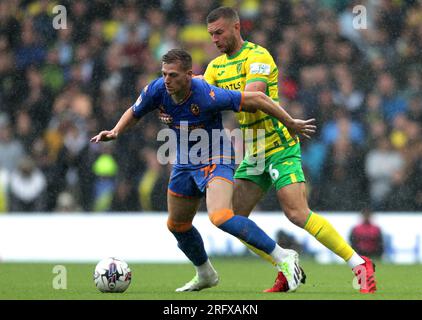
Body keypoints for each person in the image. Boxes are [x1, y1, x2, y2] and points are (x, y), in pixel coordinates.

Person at [91, 49, 316, 292]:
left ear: (189, 75)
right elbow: (135, 113)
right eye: (164, 73)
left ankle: (283, 256)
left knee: (220, 216)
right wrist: (115, 131)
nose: (167, 79)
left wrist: (290, 122)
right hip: (184, 163)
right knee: (177, 225)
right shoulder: (157, 89)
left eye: (173, 75)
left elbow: (258, 99)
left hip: (216, 157)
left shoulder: (208, 95)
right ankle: (205, 273)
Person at [201, 6, 376, 293]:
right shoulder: (214, 67)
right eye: (211, 35)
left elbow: (253, 95)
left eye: (219, 32)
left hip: (280, 144)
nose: (215, 39)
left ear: (236, 27)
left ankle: (359, 263)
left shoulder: (258, 56)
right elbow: (203, 101)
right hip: (255, 149)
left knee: (296, 213)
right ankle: (284, 264)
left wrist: (213, 98)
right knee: (232, 219)